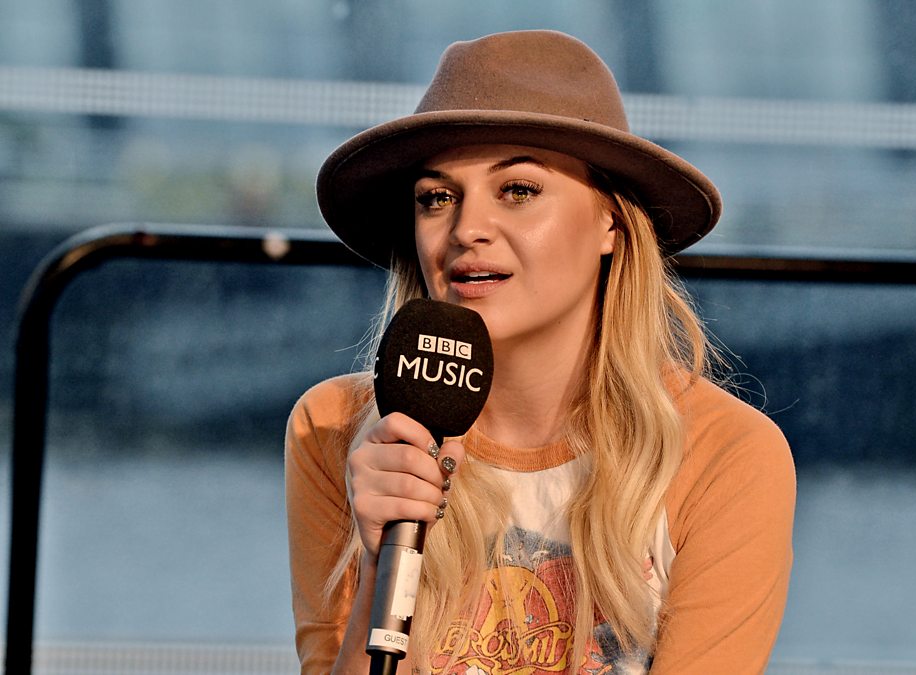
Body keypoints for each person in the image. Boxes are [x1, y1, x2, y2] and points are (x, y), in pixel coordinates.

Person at [286, 29, 795, 675]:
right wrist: (380, 561)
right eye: (437, 197)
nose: (467, 229)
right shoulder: (338, 428)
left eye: (518, 190)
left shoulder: (725, 453)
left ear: (611, 222)